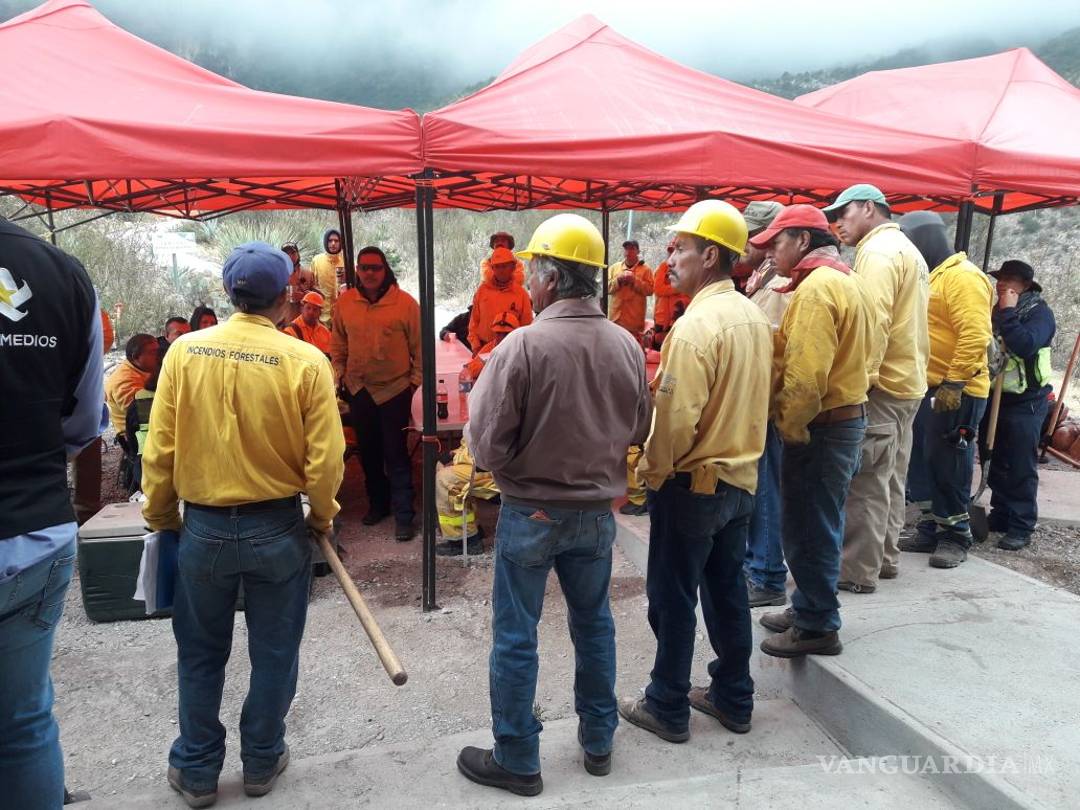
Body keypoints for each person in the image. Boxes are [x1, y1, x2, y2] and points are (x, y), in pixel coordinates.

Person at [141, 242, 344, 808]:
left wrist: (162, 517)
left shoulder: (184, 352)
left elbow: (159, 449)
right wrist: (322, 517)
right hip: (276, 528)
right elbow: (326, 460)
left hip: (203, 529)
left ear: (230, 293)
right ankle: (261, 759)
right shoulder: (305, 360)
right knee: (275, 651)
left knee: (200, 652)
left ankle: (197, 768)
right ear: (285, 297)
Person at [456, 214, 650, 797]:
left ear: (548, 277)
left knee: (517, 633)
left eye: (532, 273)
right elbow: (640, 427)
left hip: (531, 513)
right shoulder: (626, 344)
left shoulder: (524, 345)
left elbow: (485, 446)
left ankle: (517, 758)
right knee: (594, 624)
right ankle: (599, 741)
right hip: (594, 516)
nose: (527, 283)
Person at [617, 200, 771, 746]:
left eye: (680, 248)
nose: (670, 258)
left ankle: (666, 703)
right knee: (727, 591)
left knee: (673, 596)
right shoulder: (754, 317)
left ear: (710, 256)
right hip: (740, 481)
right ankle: (733, 695)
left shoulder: (694, 328)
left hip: (693, 486)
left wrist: (651, 474)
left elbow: (676, 421)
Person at [0, 216, 104, 808]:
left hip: (36, 526)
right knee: (23, 726)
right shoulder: (62, 272)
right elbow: (84, 422)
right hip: (35, 531)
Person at [752, 205, 872, 658]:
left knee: (809, 527)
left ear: (803, 241)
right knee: (819, 521)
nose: (770, 254)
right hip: (843, 419)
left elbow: (804, 380)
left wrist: (789, 426)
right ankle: (808, 605)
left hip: (822, 426)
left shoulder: (818, 290)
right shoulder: (845, 280)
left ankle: (817, 624)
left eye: (776, 244)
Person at [827, 184, 928, 593]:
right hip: (908, 383)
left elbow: (874, 323)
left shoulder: (877, 253)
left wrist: (859, 383)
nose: (838, 223)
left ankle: (856, 571)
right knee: (890, 476)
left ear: (869, 208)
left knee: (866, 482)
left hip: (882, 385)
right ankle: (884, 558)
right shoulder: (908, 250)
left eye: (844, 213)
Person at [899, 212, 993, 568]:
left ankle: (956, 535)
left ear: (924, 239)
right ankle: (931, 526)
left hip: (958, 391)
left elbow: (974, 334)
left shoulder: (963, 277)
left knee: (950, 463)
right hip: (927, 386)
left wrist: (954, 382)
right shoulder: (932, 276)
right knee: (922, 464)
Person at [331, 246, 421, 541]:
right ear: (357, 270)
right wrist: (340, 374)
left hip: (395, 390)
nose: (369, 273)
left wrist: (414, 382)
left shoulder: (405, 304)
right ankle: (378, 505)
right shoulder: (345, 302)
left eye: (376, 267)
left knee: (396, 453)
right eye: (364, 267)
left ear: (385, 270)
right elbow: (338, 343)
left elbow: (420, 348)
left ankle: (404, 514)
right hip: (359, 390)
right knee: (368, 453)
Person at [735, 201, 789, 608]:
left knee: (766, 488)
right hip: (762, 400)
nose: (746, 243)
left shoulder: (781, 283)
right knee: (761, 486)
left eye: (753, 235)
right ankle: (759, 563)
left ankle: (767, 574)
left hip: (770, 403)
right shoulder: (765, 277)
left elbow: (775, 349)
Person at [435, 311, 521, 557]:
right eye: (498, 333)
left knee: (446, 480)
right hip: (490, 454)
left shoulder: (513, 375)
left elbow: (495, 440)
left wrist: (461, 457)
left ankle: (464, 540)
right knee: (443, 463)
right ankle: (470, 528)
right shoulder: (488, 355)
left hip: (504, 467)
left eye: (506, 333)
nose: (501, 337)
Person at [984, 260, 1055, 551]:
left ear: (1025, 286)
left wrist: (1008, 314)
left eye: (1009, 279)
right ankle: (1001, 513)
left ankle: (1022, 524)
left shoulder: (1040, 314)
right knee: (994, 456)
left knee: (1020, 464)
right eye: (1000, 278)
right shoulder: (995, 309)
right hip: (996, 395)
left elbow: (1026, 344)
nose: (1001, 283)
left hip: (1028, 400)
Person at [467, 246, 533, 352]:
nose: (500, 270)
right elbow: (474, 322)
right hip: (483, 348)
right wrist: (475, 345)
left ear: (512, 267)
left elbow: (527, 328)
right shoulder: (482, 290)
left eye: (504, 266)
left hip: (511, 350)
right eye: (497, 266)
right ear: (492, 268)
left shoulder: (521, 294)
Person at [105, 333, 159, 435]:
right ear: (135, 357)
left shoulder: (145, 368)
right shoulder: (124, 381)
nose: (158, 356)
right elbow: (145, 414)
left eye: (158, 351)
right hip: (136, 436)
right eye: (152, 352)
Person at [606, 239, 654, 340]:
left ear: (638, 251)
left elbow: (650, 290)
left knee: (633, 347)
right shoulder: (614, 268)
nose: (628, 251)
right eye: (626, 248)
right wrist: (618, 280)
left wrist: (634, 280)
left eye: (632, 248)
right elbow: (606, 289)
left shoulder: (646, 270)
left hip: (634, 322)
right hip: (615, 319)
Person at [649, 239, 690, 349]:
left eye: (677, 250)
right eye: (671, 250)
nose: (673, 254)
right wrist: (678, 288)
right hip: (661, 318)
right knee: (659, 347)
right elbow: (658, 289)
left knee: (677, 347)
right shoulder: (663, 267)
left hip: (680, 316)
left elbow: (688, 291)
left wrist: (670, 289)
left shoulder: (688, 269)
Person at [310, 228, 344, 325]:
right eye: (330, 241)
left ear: (340, 243)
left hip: (342, 316)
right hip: (321, 315)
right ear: (325, 242)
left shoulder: (346, 261)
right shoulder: (317, 261)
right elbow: (311, 285)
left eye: (336, 241)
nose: (333, 244)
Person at [283, 291, 331, 357]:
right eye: (308, 308)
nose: (311, 312)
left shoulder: (325, 332)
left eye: (315, 309)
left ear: (320, 313)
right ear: (302, 309)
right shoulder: (290, 330)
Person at [282, 243, 317, 322]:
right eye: (286, 254)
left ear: (298, 254)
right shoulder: (277, 274)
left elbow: (318, 297)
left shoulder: (308, 274)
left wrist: (304, 296)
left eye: (293, 253)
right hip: (284, 321)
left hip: (305, 320)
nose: (290, 257)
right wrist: (286, 296)